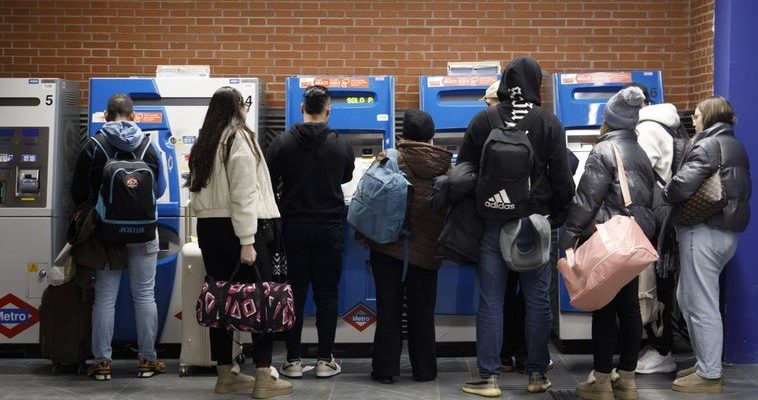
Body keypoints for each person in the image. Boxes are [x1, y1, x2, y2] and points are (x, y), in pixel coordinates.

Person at [459, 57, 575, 397]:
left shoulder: (484, 119)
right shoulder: (548, 121)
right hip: (535, 223)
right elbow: (562, 179)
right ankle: (537, 374)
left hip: (494, 222)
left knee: (491, 301)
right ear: (535, 84)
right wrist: (555, 216)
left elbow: (465, 169)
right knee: (537, 300)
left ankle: (489, 378)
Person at [187, 86, 292, 398]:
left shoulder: (206, 141)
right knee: (261, 298)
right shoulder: (239, 138)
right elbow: (244, 194)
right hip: (238, 230)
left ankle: (225, 375)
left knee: (222, 298)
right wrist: (248, 240)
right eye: (244, 103)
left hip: (210, 230)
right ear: (237, 107)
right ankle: (263, 376)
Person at [559, 86, 656, 400]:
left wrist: (569, 236)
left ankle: (600, 382)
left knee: (602, 309)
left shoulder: (603, 151)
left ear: (609, 120)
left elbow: (587, 199)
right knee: (628, 309)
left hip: (608, 238)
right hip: (633, 239)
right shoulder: (639, 151)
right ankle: (626, 379)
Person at [71, 94, 167, 380]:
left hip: (105, 233)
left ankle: (102, 362)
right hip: (144, 232)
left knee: (105, 298)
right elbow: (158, 190)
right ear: (134, 115)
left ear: (105, 114)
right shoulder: (150, 146)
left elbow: (78, 192)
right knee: (145, 295)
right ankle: (147, 360)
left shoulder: (94, 145)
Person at [266, 85, 356, 379]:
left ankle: (292, 360)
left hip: (292, 229)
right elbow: (346, 176)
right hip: (329, 229)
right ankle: (324, 360)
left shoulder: (282, 142)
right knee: (327, 295)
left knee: (294, 294)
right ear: (328, 110)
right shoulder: (341, 144)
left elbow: (268, 180)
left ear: (302, 108)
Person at [664, 96, 751, 393]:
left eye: (699, 115)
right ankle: (704, 363)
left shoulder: (706, 144)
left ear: (711, 118)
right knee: (689, 297)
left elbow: (680, 186)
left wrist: (667, 186)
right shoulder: (733, 144)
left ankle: (710, 374)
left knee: (700, 303)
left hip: (702, 231)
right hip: (724, 232)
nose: (694, 120)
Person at [366, 109, 451, 384]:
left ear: (403, 135)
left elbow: (366, 197)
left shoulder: (389, 157)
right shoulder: (445, 165)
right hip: (426, 251)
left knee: (388, 309)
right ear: (432, 136)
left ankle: (385, 370)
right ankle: (425, 370)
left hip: (387, 246)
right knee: (423, 312)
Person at [633, 87, 683, 375]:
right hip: (666, 213)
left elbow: (639, 171)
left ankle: (662, 350)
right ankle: (659, 345)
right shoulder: (665, 124)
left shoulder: (647, 128)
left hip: (656, 215)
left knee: (655, 282)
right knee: (660, 280)